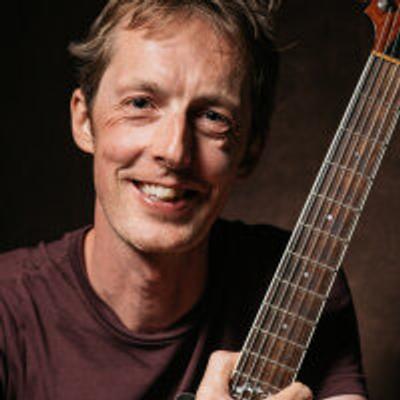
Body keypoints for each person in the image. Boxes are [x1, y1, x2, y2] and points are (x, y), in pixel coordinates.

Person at [0, 1, 369, 399]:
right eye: (140, 103)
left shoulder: (304, 283)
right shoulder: (7, 308)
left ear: (250, 150)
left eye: (213, 117)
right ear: (84, 121)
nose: (174, 151)